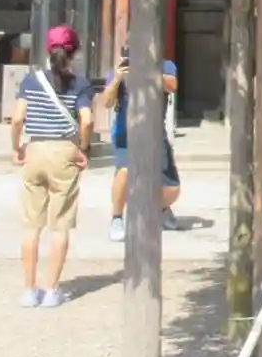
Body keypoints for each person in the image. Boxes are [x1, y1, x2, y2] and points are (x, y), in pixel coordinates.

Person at [10, 24, 94, 308]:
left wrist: (17, 147)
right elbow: (87, 120)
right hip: (64, 152)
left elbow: (18, 118)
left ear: (48, 50)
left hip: (35, 149)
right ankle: (51, 291)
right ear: (74, 52)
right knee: (60, 227)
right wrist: (83, 148)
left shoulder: (30, 81)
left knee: (31, 226)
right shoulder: (80, 84)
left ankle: (28, 290)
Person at [104, 46, 182, 241]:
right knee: (125, 171)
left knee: (172, 188)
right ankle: (117, 218)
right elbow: (106, 102)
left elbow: (172, 85)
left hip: (154, 133)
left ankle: (160, 209)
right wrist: (117, 80)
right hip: (126, 134)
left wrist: (147, 72)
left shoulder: (164, 65)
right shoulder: (120, 69)